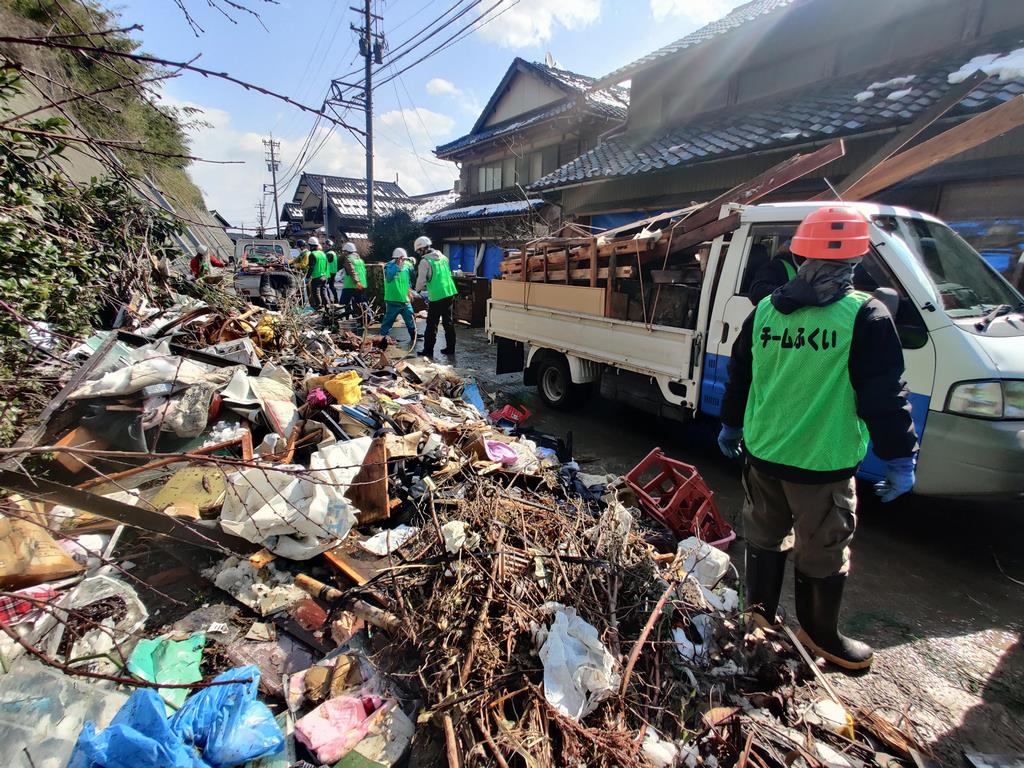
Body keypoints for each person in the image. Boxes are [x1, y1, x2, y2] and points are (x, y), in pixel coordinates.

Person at [718, 206, 917, 672]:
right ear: (857, 260)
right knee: (823, 550)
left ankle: (759, 620)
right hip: (820, 466)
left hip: (763, 455)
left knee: (765, 538)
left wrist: (731, 424)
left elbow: (740, 374)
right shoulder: (864, 316)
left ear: (799, 253)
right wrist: (900, 456)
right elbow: (884, 395)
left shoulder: (766, 310)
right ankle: (820, 634)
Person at [414, 235, 458, 358]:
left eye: (418, 251)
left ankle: (428, 350)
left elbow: (421, 281)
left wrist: (416, 290)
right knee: (448, 322)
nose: (418, 253)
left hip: (437, 296)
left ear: (422, 249)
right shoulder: (444, 257)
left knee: (432, 323)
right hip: (449, 292)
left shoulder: (425, 261)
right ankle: (451, 348)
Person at [380, 247, 417, 343]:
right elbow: (389, 278)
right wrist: (398, 267)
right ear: (398, 258)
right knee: (388, 320)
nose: (404, 261)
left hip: (405, 299)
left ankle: (414, 335)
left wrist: (410, 292)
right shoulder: (389, 266)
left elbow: (410, 279)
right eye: (402, 259)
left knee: (410, 318)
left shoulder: (407, 266)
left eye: (404, 259)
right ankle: (382, 337)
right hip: (393, 299)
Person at [339, 242, 367, 324]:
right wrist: (360, 283)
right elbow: (364, 271)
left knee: (343, 303)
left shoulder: (348, 259)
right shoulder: (360, 260)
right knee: (360, 304)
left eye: (344, 251)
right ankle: (363, 320)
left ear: (347, 251)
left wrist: (357, 281)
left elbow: (352, 271)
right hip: (362, 284)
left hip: (350, 285)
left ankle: (345, 320)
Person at [305, 236, 331, 308]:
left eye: (309, 246)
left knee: (316, 293)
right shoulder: (323, 254)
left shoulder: (312, 254)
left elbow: (311, 267)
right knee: (323, 292)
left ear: (312, 246)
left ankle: (319, 307)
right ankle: (327, 306)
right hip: (324, 276)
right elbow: (326, 265)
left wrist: (307, 277)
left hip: (316, 277)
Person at [324, 239, 339, 304]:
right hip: (333, 271)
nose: (324, 246)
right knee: (331, 286)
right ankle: (335, 299)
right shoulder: (333, 253)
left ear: (328, 245)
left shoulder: (329, 253)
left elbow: (325, 262)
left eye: (325, 244)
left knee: (324, 286)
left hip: (329, 272)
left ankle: (328, 299)